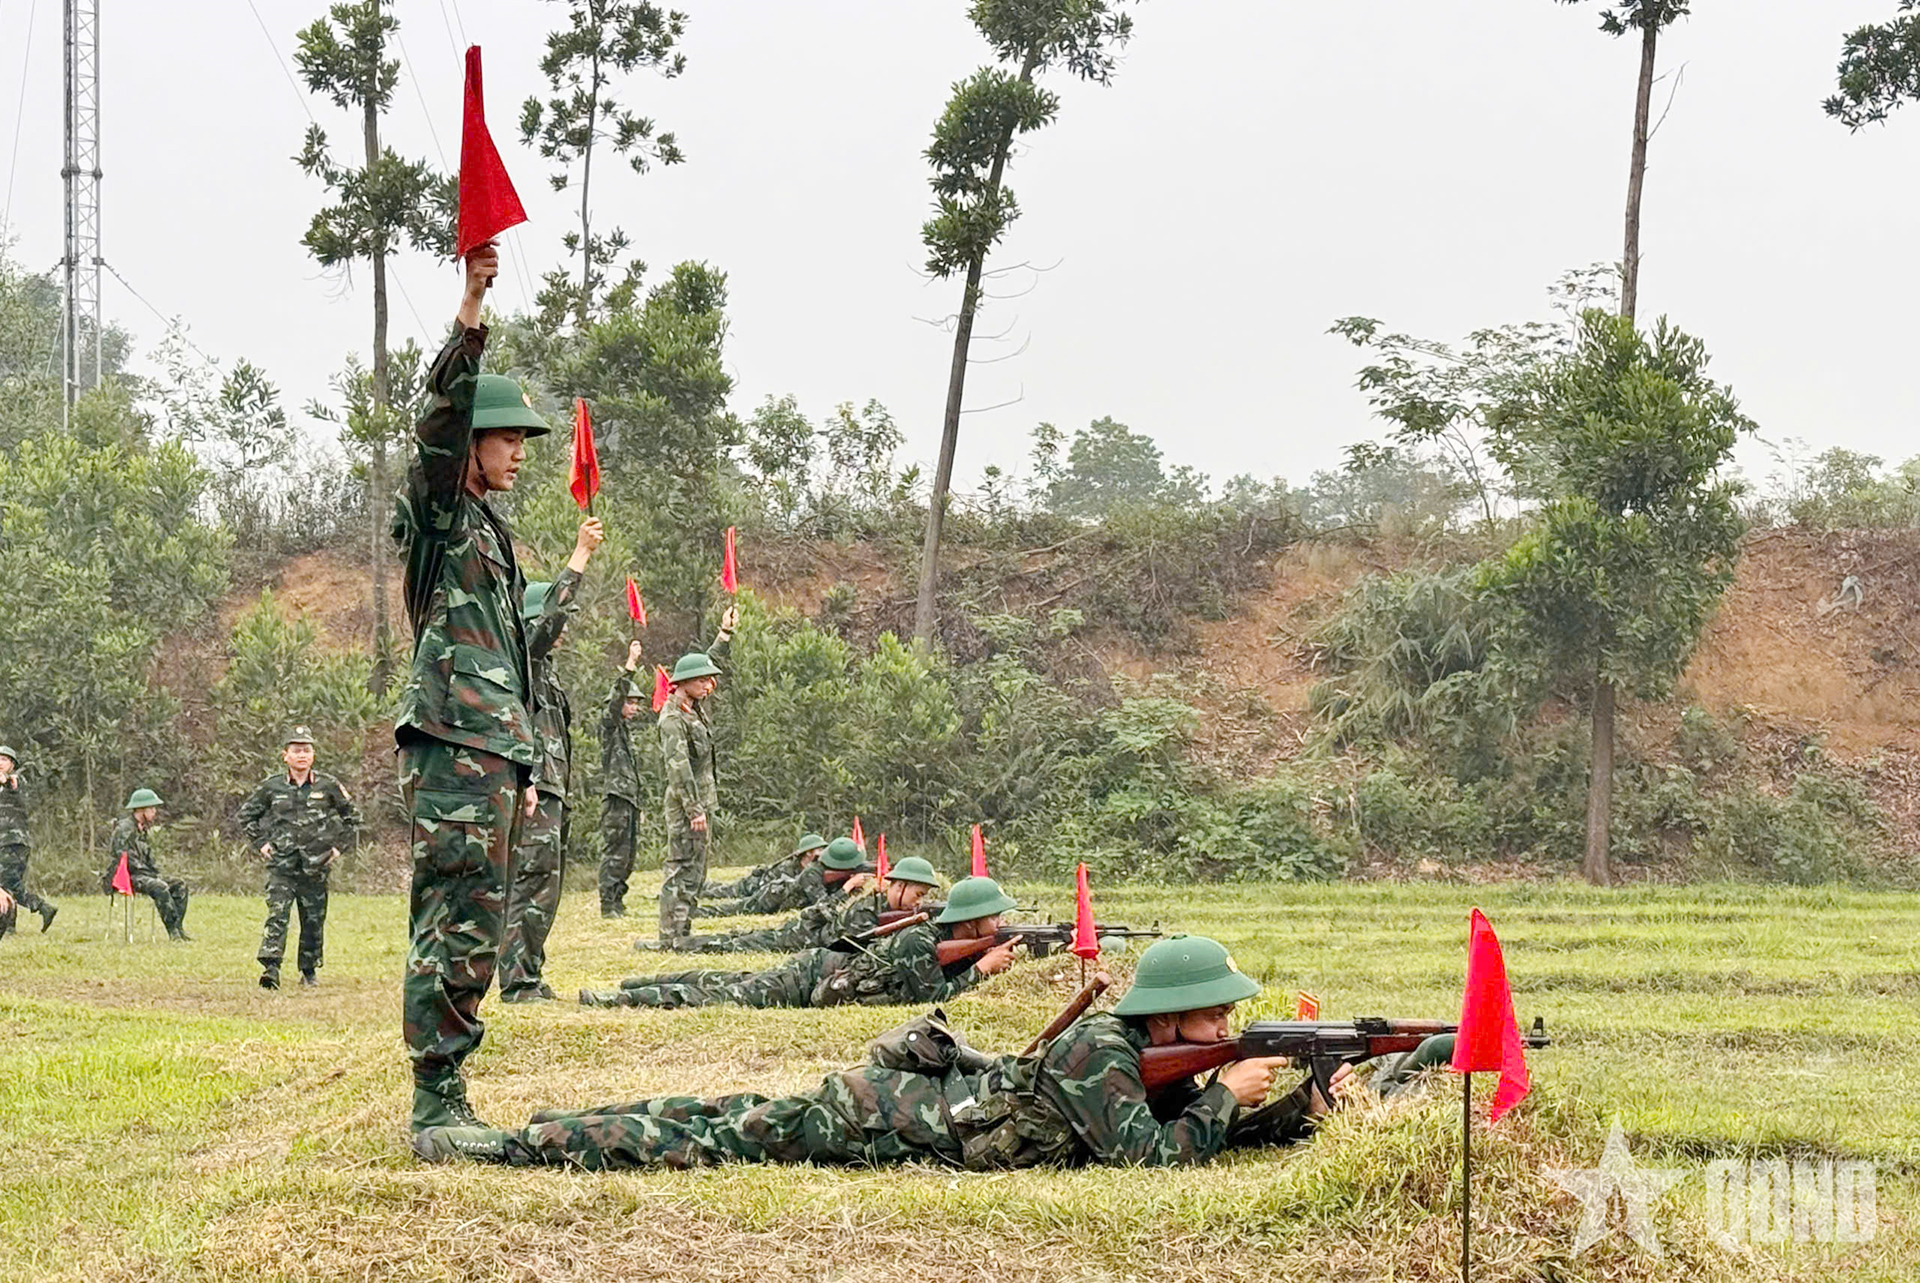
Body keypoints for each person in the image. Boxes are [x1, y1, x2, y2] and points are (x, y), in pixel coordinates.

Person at [413, 933, 1336, 1169]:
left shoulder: (1138, 1055)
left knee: (705, 1119)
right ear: (1171, 1017)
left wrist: (1295, 1109)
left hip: (905, 1113)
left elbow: (1165, 1129)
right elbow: (1142, 1156)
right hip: (880, 1119)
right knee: (702, 1130)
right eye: (1216, 1017)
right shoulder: (1102, 1044)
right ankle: (510, 1144)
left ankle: (530, 1134)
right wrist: (1226, 1096)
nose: (1225, 1031)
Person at [390, 240, 546, 1133]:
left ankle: (447, 1092)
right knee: (455, 919)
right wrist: (471, 307)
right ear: (471, 444)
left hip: (487, 752)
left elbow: (513, 654)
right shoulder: (444, 514)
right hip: (454, 748)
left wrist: (519, 765)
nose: (518, 453)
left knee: (474, 923)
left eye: (524, 441)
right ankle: (435, 1100)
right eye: (507, 437)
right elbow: (437, 422)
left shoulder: (485, 529)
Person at [581, 872, 1020, 1010]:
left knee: (723, 979)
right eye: (993, 916)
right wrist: (983, 968)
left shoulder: (936, 936)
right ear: (971, 920)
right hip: (812, 974)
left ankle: (634, 986)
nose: (999, 922)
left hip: (818, 966)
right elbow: (930, 997)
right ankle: (615, 1000)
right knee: (720, 996)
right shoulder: (919, 942)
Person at [499, 519, 604, 1003]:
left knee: (546, 885)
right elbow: (546, 624)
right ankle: (516, 980)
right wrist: (580, 554)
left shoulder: (546, 671)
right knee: (532, 882)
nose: (563, 633)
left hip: (553, 790)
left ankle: (529, 972)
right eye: (558, 623)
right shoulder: (521, 657)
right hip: (535, 788)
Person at [237, 727, 358, 989]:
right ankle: (271, 968)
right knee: (277, 914)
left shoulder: (328, 786)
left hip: (316, 864)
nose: (301, 755)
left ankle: (309, 969)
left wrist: (337, 848)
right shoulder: (272, 786)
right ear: (285, 756)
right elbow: (246, 815)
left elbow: (353, 818)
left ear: (313, 755)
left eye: (306, 750)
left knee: (313, 919)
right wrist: (262, 844)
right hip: (282, 863)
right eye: (296, 750)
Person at [672, 846, 938, 956]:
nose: (918, 902)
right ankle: (678, 943)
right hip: (800, 935)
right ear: (899, 886)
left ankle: (679, 941)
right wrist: (845, 888)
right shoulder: (858, 903)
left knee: (741, 937)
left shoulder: (876, 899)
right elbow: (849, 942)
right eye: (918, 894)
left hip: (806, 930)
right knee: (736, 942)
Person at [655, 613, 739, 946]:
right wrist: (694, 809)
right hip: (686, 805)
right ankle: (669, 935)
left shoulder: (693, 707)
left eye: (710, 679)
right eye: (702, 680)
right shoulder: (673, 717)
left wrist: (725, 633)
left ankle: (683, 932)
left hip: (701, 801)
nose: (709, 684)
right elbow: (679, 768)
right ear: (684, 682)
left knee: (697, 871)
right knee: (680, 867)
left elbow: (708, 660)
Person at [598, 640, 647, 919]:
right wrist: (630, 664)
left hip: (629, 800)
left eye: (637, 703)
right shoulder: (610, 727)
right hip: (616, 800)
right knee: (615, 853)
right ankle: (608, 905)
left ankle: (618, 901)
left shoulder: (625, 733)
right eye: (631, 702)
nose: (635, 707)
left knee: (627, 855)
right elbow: (615, 702)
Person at [103, 789, 190, 941]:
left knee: (180, 885)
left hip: (144, 874)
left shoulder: (141, 830)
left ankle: (178, 928)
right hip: (126, 876)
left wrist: (155, 872)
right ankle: (173, 933)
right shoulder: (124, 829)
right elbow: (121, 857)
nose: (154, 812)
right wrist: (149, 874)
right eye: (151, 809)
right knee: (160, 887)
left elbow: (148, 857)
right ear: (141, 810)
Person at [692, 830, 841, 919]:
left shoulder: (815, 869)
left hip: (763, 891)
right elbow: (766, 888)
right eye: (820, 849)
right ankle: (695, 887)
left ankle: (698, 886)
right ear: (809, 852)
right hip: (754, 887)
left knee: (721, 890)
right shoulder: (786, 868)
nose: (823, 853)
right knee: (722, 892)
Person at [0, 746, 55, 933]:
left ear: (12, 764)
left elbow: (12, 783)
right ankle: (37, 911)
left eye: (4, 759)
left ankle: (37, 909)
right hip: (6, 842)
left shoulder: (17, 780)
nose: (0, 762)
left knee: (5, 883)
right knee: (11, 884)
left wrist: (6, 780)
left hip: (13, 841)